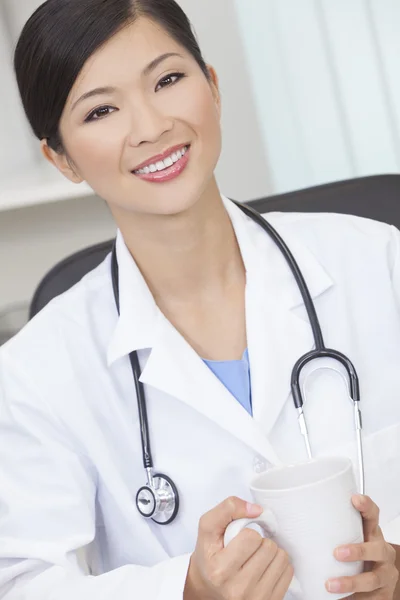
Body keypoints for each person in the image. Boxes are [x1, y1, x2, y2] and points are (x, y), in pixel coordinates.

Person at [0, 0, 399, 598]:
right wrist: (183, 590)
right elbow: (23, 582)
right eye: (102, 110)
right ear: (61, 158)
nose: (151, 126)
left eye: (167, 80)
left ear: (212, 86)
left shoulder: (379, 261)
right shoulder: (36, 373)